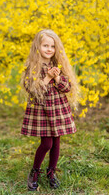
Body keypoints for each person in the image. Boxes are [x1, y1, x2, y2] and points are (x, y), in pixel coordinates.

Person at [20, 29, 79, 191]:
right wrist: (48, 78)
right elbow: (32, 89)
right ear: (37, 46)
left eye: (52, 46)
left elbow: (67, 88)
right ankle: (35, 172)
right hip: (42, 111)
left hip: (58, 109)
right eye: (45, 45)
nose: (49, 49)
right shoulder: (32, 66)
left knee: (56, 142)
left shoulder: (58, 65)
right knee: (46, 143)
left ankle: (51, 172)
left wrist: (58, 77)